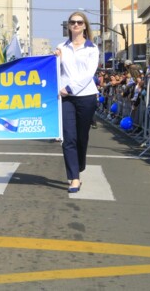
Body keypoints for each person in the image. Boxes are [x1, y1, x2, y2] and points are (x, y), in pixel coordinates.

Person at [54, 11, 99, 193]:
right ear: (68, 26)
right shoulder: (61, 47)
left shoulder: (92, 48)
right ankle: (74, 177)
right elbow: (55, 70)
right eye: (72, 22)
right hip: (66, 98)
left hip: (86, 96)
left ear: (85, 26)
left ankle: (79, 165)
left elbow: (89, 74)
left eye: (79, 22)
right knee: (69, 138)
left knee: (82, 137)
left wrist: (72, 87)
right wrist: (54, 58)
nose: (76, 25)